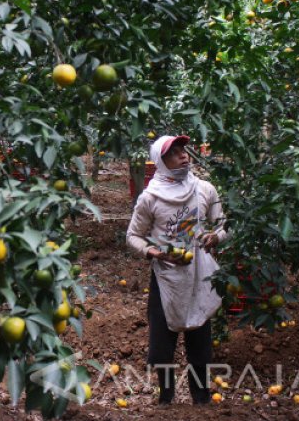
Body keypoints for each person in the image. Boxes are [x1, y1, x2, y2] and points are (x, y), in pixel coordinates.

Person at [126, 135, 228, 405]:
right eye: (175, 153)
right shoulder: (150, 198)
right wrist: (155, 253)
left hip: (199, 275)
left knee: (200, 343)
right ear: (161, 161)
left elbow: (223, 224)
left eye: (184, 150)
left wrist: (215, 237)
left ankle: (201, 398)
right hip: (166, 277)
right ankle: (166, 398)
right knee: (161, 345)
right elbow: (133, 236)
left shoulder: (205, 189)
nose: (184, 155)